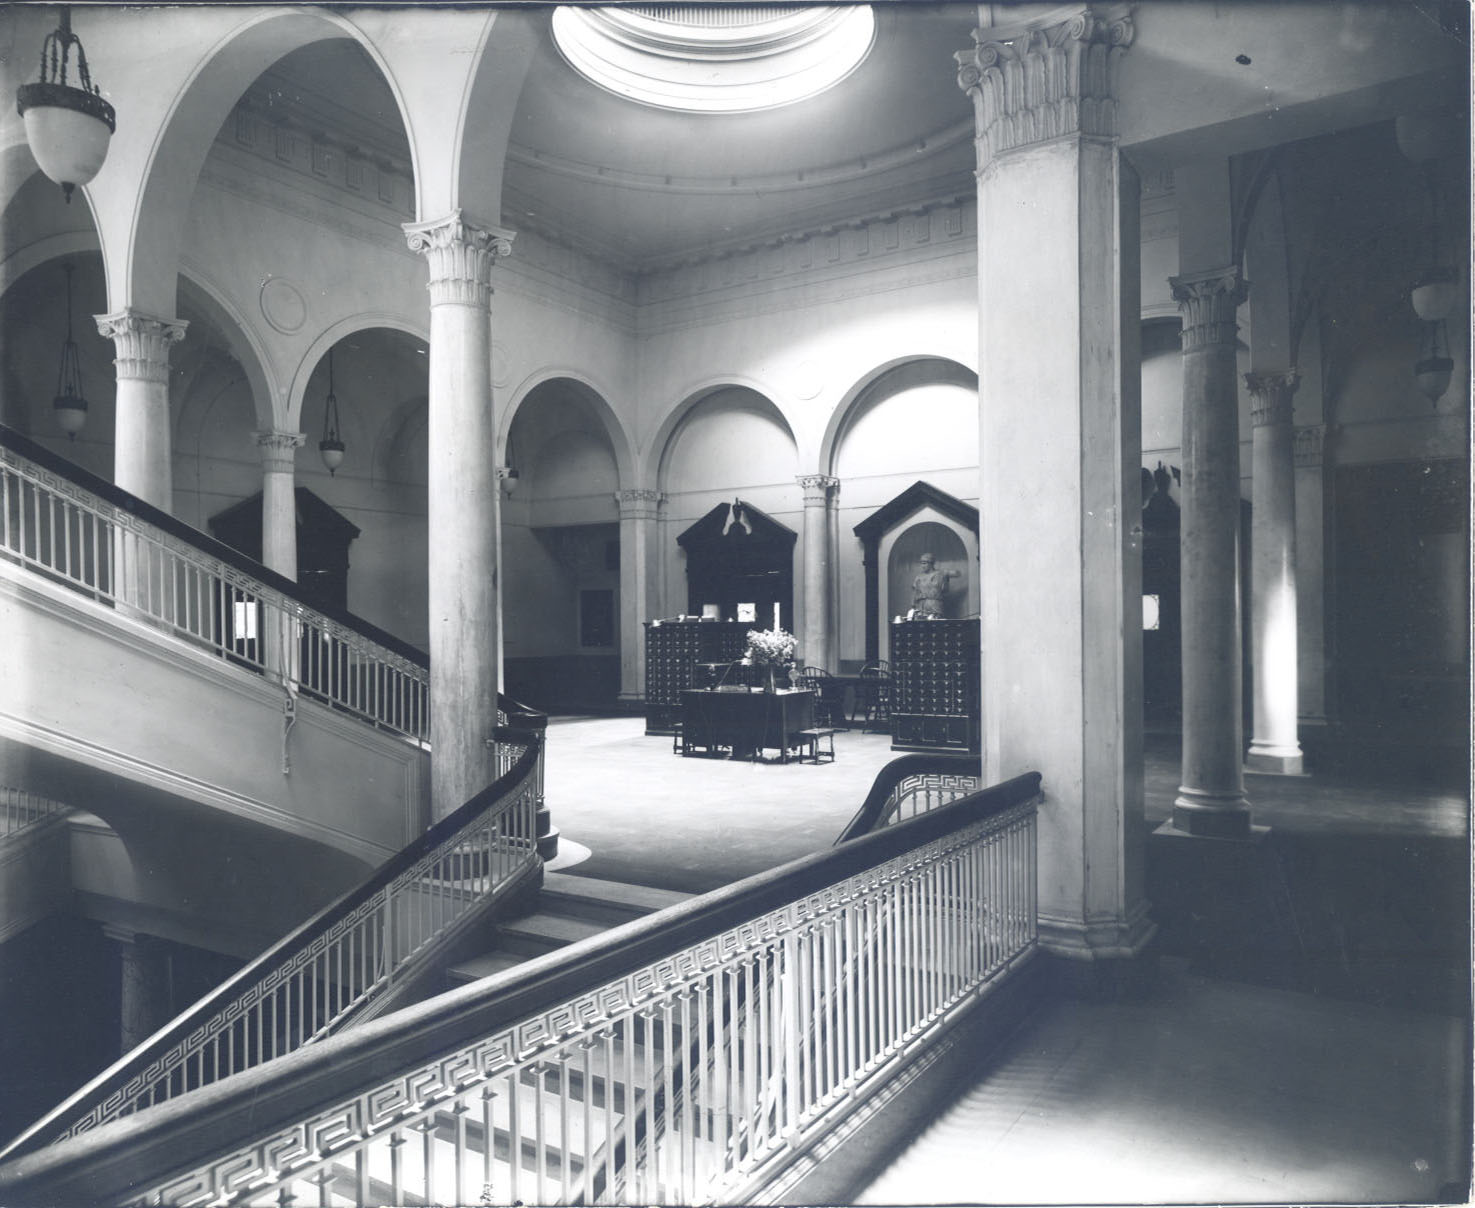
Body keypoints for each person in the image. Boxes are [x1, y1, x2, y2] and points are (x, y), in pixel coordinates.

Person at [911, 552, 957, 618]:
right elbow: (915, 591)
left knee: (935, 622)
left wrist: (946, 574)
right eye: (921, 563)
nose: (922, 566)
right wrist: (913, 604)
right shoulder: (918, 577)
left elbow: (945, 591)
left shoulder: (939, 574)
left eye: (924, 563)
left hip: (934, 605)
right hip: (921, 605)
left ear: (931, 563)